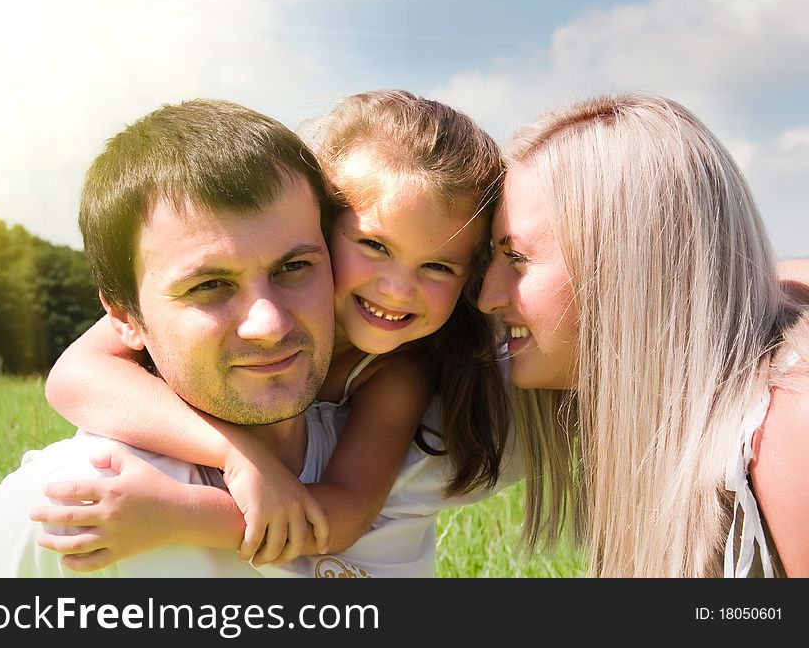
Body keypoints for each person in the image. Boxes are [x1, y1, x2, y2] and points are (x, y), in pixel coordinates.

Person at [27, 90, 518, 577]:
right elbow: (75, 375)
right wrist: (235, 454)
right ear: (320, 224)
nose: (397, 290)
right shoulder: (259, 289)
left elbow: (343, 515)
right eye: (373, 245)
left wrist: (182, 514)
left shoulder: (396, 372)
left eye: (437, 266)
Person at [0, 98, 342, 577]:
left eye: (294, 267)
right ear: (126, 317)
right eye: (209, 285)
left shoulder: (394, 449)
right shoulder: (70, 508)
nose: (269, 324)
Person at [477, 91, 809, 577]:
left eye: (517, 258)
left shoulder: (787, 424)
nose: (487, 297)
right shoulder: (646, 406)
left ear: (625, 269)